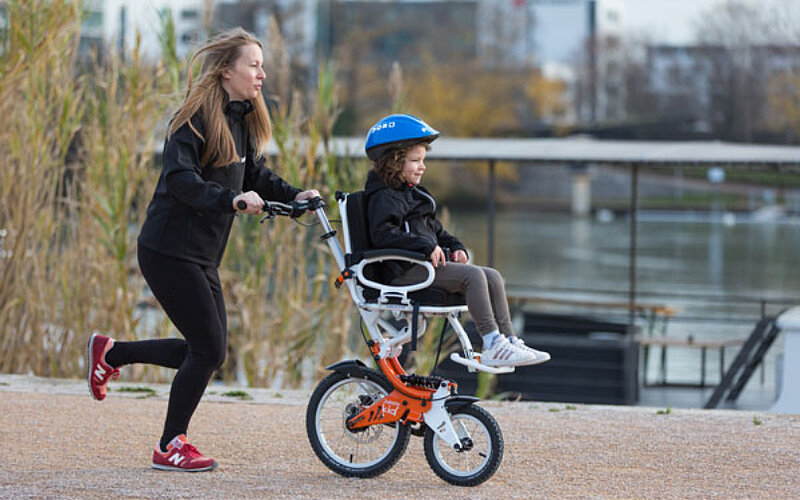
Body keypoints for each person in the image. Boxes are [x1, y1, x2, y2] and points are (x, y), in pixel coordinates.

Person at [86, 28, 319, 472]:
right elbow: (181, 180)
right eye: (254, 65)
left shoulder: (243, 119)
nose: (262, 75)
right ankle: (170, 444)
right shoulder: (191, 119)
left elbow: (255, 177)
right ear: (227, 69)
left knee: (209, 349)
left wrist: (296, 199)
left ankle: (111, 354)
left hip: (202, 252)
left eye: (261, 66)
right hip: (167, 248)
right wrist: (228, 200)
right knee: (208, 349)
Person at [363, 114, 550, 368]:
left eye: (423, 160)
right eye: (415, 161)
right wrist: (425, 247)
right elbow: (383, 235)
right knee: (472, 276)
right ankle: (491, 341)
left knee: (492, 275)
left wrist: (455, 246)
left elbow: (436, 230)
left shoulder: (413, 196)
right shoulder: (384, 198)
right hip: (402, 272)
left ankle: (509, 339)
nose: (422, 166)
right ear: (394, 163)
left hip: (421, 267)